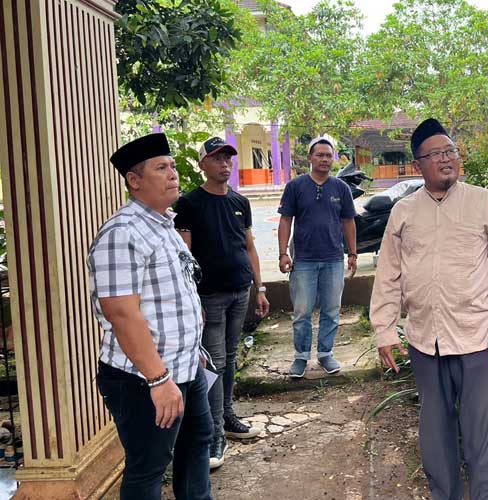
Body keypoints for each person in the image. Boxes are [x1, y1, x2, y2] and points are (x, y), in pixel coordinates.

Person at [370, 118, 488, 500]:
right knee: (436, 436)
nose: (446, 159)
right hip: (426, 342)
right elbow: (388, 274)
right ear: (418, 164)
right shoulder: (404, 212)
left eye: (450, 151)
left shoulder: (483, 202)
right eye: (436, 153)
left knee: (483, 439)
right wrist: (385, 330)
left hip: (478, 340)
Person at [88, 133, 212, 500]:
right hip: (144, 379)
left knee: (196, 447)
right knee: (149, 468)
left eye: (172, 166)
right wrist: (158, 380)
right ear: (134, 180)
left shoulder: (163, 224)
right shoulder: (121, 233)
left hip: (187, 367)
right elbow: (122, 314)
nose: (173, 173)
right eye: (162, 168)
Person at [173, 137, 270, 469]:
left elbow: (250, 247)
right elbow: (184, 257)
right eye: (216, 159)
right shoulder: (189, 204)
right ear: (203, 164)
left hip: (240, 290)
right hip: (209, 297)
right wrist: (192, 298)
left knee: (229, 358)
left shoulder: (240, 201)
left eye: (228, 158)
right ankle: (213, 433)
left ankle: (226, 416)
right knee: (213, 363)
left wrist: (260, 287)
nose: (225, 164)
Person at [277, 136, 357, 378]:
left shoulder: (341, 188)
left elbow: (348, 222)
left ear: (333, 159)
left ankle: (325, 354)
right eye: (319, 155)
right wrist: (282, 254)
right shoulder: (296, 186)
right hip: (303, 260)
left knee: (332, 310)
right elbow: (285, 220)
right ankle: (301, 357)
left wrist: (352, 253)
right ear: (310, 158)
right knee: (302, 311)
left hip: (333, 258)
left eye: (328, 155)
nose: (324, 159)